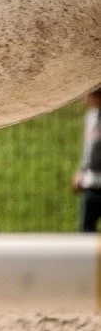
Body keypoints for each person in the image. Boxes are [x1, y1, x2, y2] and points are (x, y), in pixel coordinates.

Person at [72, 86, 101, 232]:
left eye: (87, 94)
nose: (83, 99)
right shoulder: (91, 117)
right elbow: (88, 149)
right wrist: (82, 171)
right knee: (86, 229)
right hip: (91, 184)